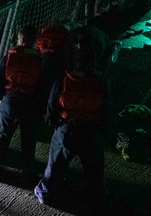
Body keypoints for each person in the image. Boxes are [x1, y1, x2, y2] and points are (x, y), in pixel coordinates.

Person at [33, 38, 108, 206]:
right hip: (90, 130)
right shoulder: (100, 81)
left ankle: (46, 192)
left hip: (67, 129)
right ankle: (95, 196)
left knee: (55, 165)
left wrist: (57, 125)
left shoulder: (63, 80)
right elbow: (106, 109)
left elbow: (52, 106)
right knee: (94, 169)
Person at [0, 25, 43, 182]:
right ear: (34, 41)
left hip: (10, 101)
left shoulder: (9, 57)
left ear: (20, 40)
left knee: (2, 135)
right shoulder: (39, 60)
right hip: (30, 103)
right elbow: (42, 85)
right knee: (28, 138)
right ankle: (26, 171)